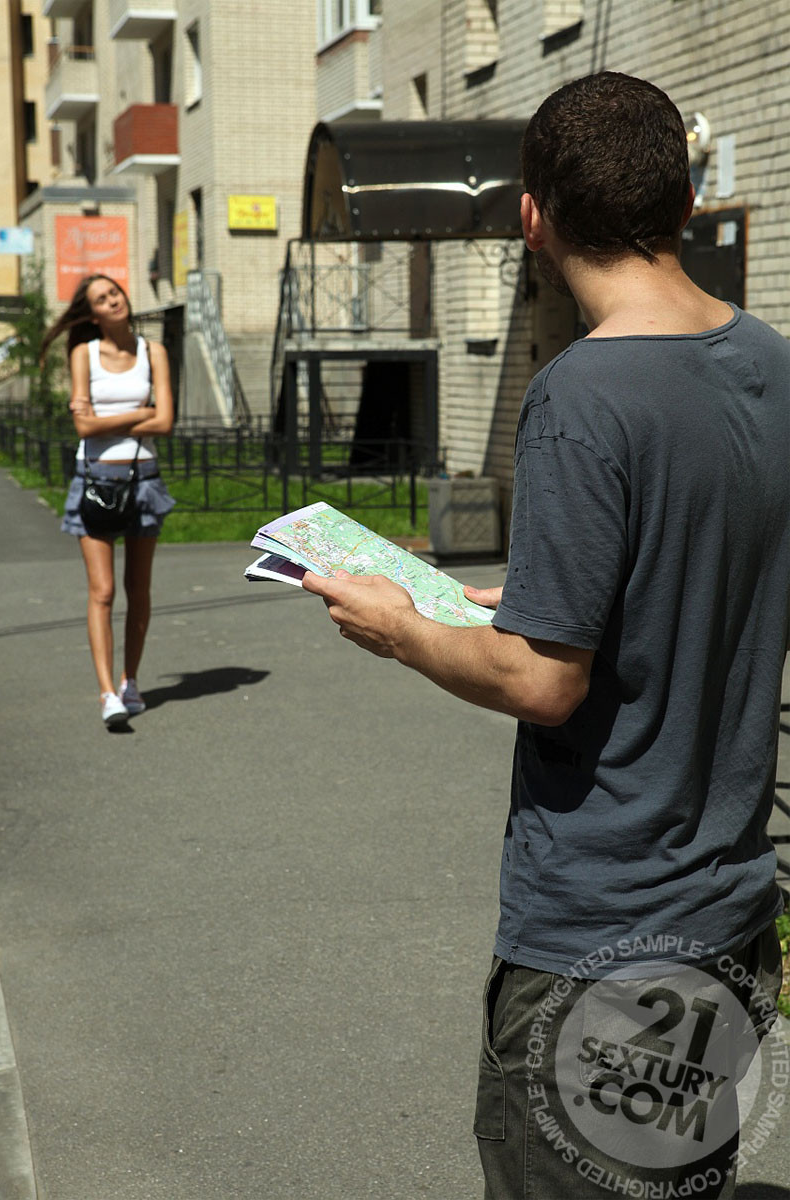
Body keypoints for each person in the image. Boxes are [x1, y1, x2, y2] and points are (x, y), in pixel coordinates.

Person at [301, 72, 789, 1198]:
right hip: (724, 920)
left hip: (603, 941)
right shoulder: (768, 366)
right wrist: (504, 600)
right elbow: (697, 577)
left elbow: (542, 681)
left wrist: (398, 625)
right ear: (680, 198)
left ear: (530, 213)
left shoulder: (583, 391)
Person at [42, 274, 175, 727]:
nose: (113, 300)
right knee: (102, 591)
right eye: (101, 298)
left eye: (114, 292)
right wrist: (141, 411)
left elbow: (166, 422)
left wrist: (106, 420)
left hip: (144, 480)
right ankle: (106, 694)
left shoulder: (153, 352)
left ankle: (129, 681)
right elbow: (85, 429)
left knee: (139, 591)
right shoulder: (85, 354)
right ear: (91, 313)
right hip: (94, 479)